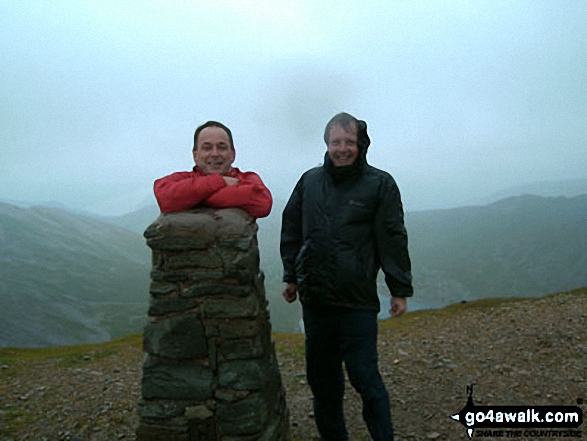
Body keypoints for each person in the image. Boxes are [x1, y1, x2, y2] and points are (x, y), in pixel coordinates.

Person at [280, 112, 413, 440]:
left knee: (366, 379)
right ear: (326, 144)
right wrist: (291, 275)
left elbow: (391, 237)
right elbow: (292, 227)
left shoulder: (379, 184)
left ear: (361, 144)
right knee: (323, 383)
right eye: (336, 141)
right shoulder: (309, 181)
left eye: (349, 142)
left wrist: (399, 289)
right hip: (316, 300)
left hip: (357, 302)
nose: (342, 148)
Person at [154, 121, 272, 219]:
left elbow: (262, 203)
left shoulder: (248, 178)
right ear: (195, 155)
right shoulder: (181, 178)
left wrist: (191, 197)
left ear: (232, 154)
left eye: (222, 147)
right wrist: (220, 182)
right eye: (207, 148)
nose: (215, 153)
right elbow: (164, 198)